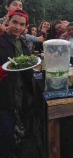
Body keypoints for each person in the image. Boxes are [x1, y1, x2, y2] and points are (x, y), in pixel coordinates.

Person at [0, 9, 34, 157]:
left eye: (22, 24)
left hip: (21, 93)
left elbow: (26, 65)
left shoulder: (22, 43)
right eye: (15, 22)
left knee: (18, 127)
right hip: (4, 95)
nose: (18, 27)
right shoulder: (1, 40)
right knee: (5, 132)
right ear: (8, 21)